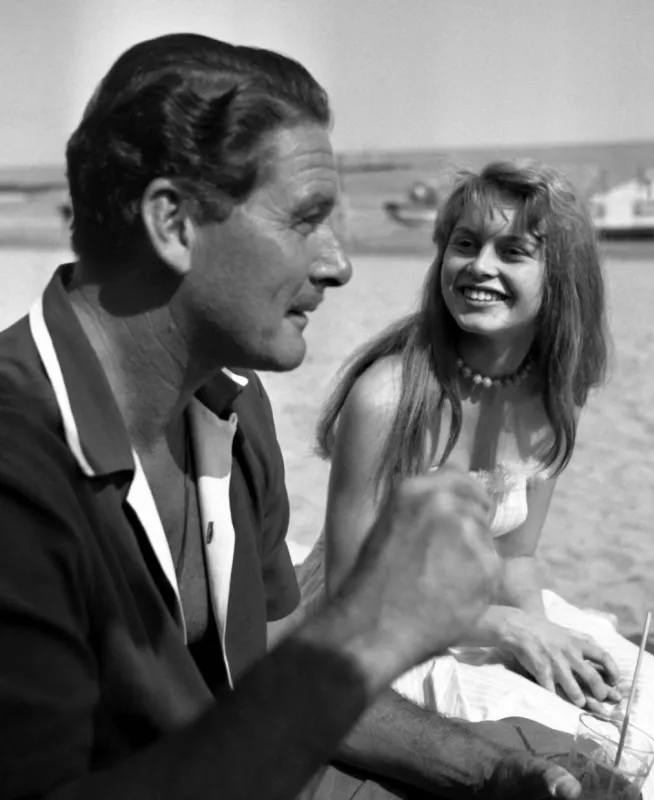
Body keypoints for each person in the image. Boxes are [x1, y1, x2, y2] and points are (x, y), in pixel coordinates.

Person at [0, 34, 584, 800]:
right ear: (173, 222)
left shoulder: (232, 406)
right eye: (307, 220)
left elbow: (275, 666)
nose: (339, 264)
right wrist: (372, 632)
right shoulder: (21, 467)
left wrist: (489, 772)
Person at [308, 160, 654, 800]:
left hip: (487, 615)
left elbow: (517, 557)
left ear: (560, 278)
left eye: (513, 252)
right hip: (375, 641)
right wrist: (507, 630)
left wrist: (546, 650)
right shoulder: (388, 399)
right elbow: (350, 600)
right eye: (465, 243)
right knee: (574, 758)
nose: (480, 266)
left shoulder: (554, 396)